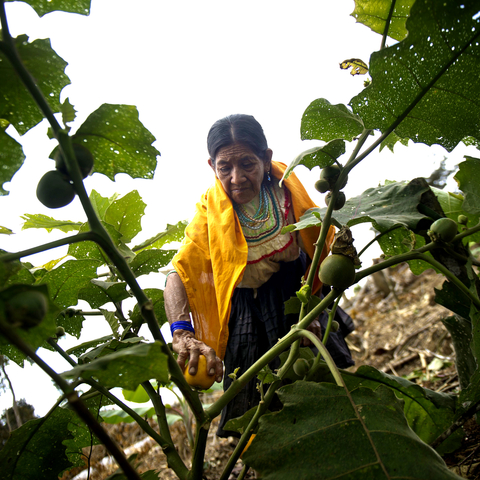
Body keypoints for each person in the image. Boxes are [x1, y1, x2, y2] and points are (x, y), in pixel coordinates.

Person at [164, 114, 354, 437]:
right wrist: (182, 334)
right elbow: (177, 274)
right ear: (212, 167)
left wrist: (318, 291)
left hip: (296, 296)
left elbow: (318, 239)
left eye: (247, 164)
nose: (236, 178)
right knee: (256, 407)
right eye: (225, 168)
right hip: (245, 311)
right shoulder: (209, 213)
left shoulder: (287, 190)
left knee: (316, 384)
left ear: (266, 159)